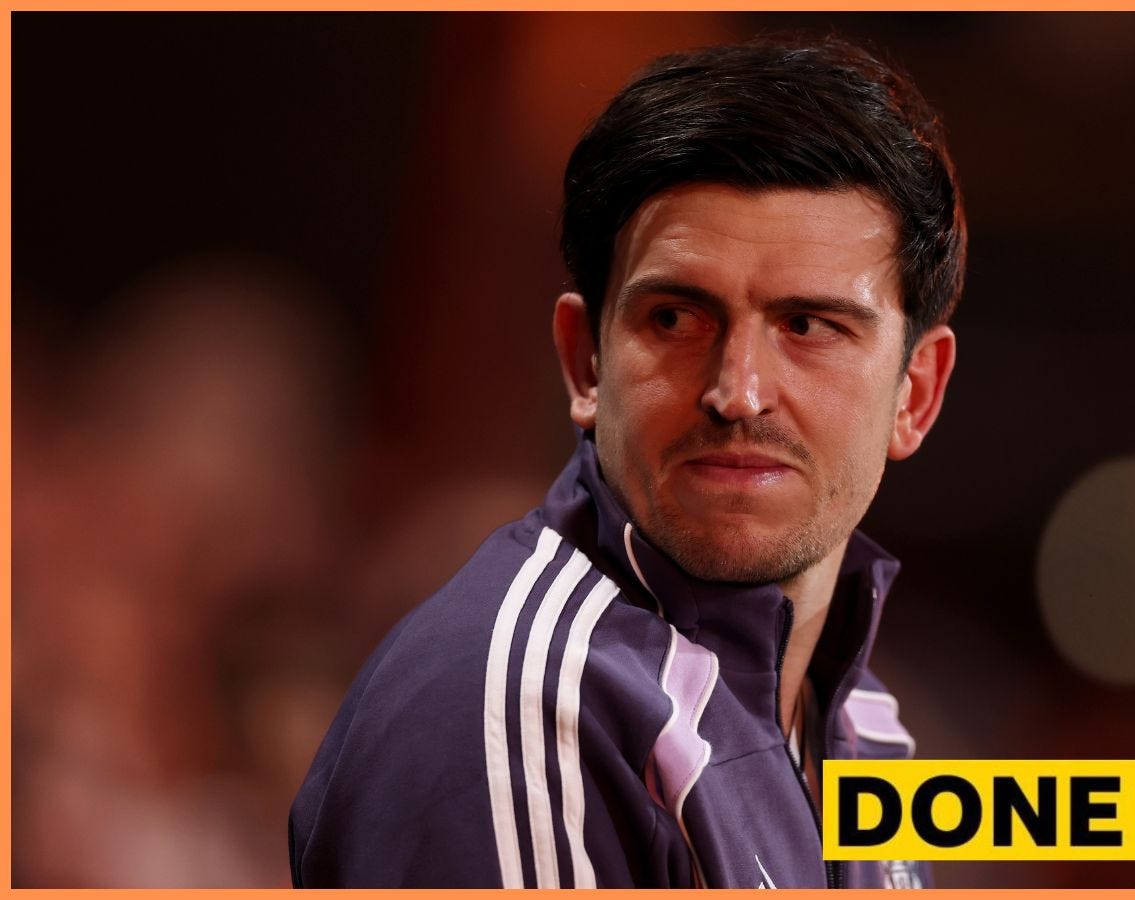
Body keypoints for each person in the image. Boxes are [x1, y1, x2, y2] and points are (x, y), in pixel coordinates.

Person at [290, 35, 964, 889]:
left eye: (808, 326)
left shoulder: (862, 721)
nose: (737, 392)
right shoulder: (521, 707)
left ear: (914, 394)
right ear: (585, 361)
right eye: (676, 319)